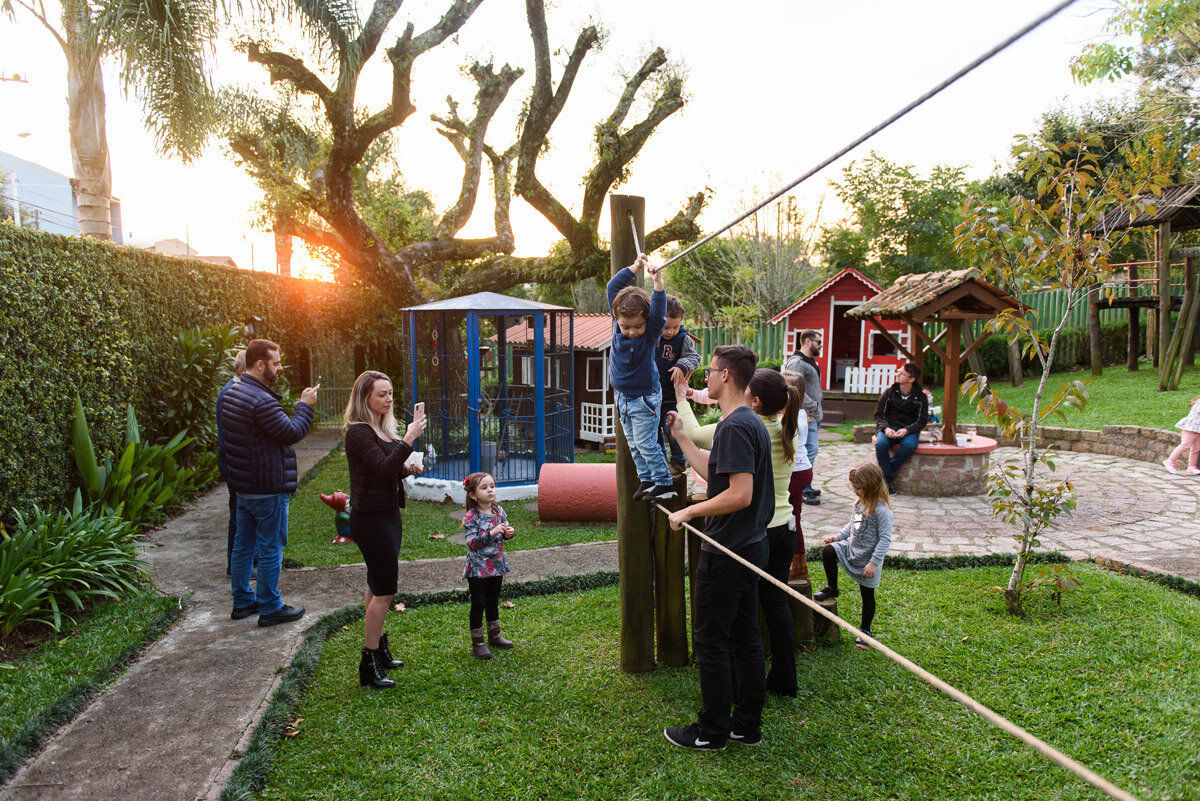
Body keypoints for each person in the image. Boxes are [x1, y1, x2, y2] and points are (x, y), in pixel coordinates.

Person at [663, 345, 774, 750]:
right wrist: (681, 438)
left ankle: (711, 732)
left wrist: (690, 513)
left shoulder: (735, 426)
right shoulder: (745, 423)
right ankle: (746, 726)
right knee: (745, 638)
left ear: (725, 376)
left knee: (711, 640)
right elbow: (718, 475)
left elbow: (739, 495)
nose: (704, 377)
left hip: (728, 551)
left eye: (709, 371)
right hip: (750, 548)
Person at [672, 368, 802, 697]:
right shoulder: (787, 426)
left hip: (756, 529)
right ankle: (785, 677)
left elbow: (698, 435)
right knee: (776, 604)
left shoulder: (747, 426)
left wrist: (680, 398)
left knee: (738, 615)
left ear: (755, 401)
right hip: (785, 526)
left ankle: (732, 683)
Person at [220, 339, 317, 627]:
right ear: (260, 364)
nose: (280, 368)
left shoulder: (232, 392)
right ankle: (271, 606)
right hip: (267, 487)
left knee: (243, 546)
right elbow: (291, 431)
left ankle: (242, 601)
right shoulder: (260, 400)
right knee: (271, 546)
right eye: (275, 363)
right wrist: (304, 405)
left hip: (244, 486)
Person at [343, 370, 427, 688]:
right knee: (385, 590)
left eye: (391, 393)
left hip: (388, 514)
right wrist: (407, 440)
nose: (389, 399)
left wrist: (406, 468)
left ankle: (378, 651)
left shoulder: (380, 429)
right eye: (382, 394)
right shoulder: (359, 433)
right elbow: (380, 469)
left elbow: (388, 470)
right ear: (365, 398)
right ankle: (369, 663)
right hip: (371, 518)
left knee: (376, 584)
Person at [606, 254, 676, 502]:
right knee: (633, 444)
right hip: (622, 397)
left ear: (646, 322)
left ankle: (664, 483)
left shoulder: (649, 335)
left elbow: (658, 310)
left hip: (644, 398)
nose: (632, 332)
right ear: (618, 319)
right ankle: (646, 479)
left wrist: (657, 283)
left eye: (638, 326)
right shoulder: (618, 324)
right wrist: (634, 267)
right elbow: (612, 288)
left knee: (646, 443)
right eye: (626, 327)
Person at [815, 462, 893, 649]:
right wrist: (838, 537)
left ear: (871, 487)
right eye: (854, 487)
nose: (855, 491)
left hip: (868, 560)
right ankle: (832, 587)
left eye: (859, 488)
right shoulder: (859, 504)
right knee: (829, 550)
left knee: (867, 596)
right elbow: (852, 525)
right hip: (852, 549)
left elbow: (885, 540)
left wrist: (874, 563)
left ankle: (865, 631)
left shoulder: (883, 512)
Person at [461, 472, 515, 660]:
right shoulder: (471, 516)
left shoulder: (498, 511)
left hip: (496, 564)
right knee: (478, 604)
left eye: (492, 486)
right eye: (484, 488)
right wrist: (492, 532)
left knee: (493, 600)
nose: (490, 490)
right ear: (473, 495)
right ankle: (478, 643)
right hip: (478, 568)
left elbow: (505, 531)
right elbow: (471, 543)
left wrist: (509, 532)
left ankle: (495, 635)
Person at [656, 295, 701, 476]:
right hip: (653, 395)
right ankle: (660, 461)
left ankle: (678, 460)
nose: (670, 332)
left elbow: (694, 358)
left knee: (672, 428)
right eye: (666, 327)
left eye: (675, 327)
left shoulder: (683, 339)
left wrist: (681, 366)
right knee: (654, 429)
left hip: (672, 396)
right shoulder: (651, 336)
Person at [873, 363, 929, 493]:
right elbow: (879, 415)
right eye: (899, 371)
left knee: (909, 446)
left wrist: (907, 430)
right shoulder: (889, 392)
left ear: (911, 379)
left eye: (902, 373)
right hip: (889, 427)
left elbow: (922, 421)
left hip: (908, 430)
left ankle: (886, 474)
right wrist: (886, 428)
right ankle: (888, 479)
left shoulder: (920, 397)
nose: (898, 374)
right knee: (880, 444)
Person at [216, 348, 246, 577]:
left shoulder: (235, 391)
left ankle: (247, 560)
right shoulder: (231, 394)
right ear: (242, 370)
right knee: (238, 514)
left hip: (236, 462)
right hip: (233, 463)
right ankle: (232, 565)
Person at [783, 331, 823, 506]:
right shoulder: (797, 363)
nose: (820, 345)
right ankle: (804, 489)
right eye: (818, 342)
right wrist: (811, 406)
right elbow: (793, 387)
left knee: (810, 449)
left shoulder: (810, 362)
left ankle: (807, 485)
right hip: (806, 413)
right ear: (807, 341)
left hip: (813, 413)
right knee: (809, 448)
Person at [784, 373, 813, 581]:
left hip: (797, 472)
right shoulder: (796, 413)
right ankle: (798, 562)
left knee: (781, 513)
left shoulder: (794, 416)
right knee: (793, 516)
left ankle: (796, 560)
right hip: (799, 471)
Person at [1164, 393, 1200, 474]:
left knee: (1196, 448)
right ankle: (1170, 461)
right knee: (1185, 445)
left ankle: (1192, 466)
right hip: (1191, 426)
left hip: (1198, 428)